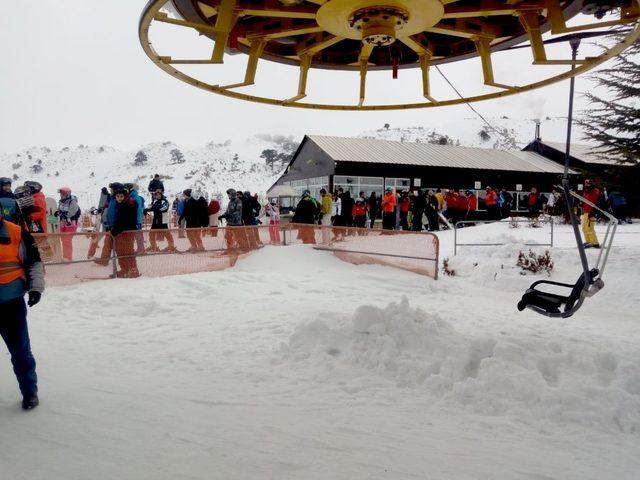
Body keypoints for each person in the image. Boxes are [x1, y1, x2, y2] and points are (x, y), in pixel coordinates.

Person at [0, 211, 45, 410]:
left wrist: (36, 288)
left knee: (21, 352)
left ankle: (29, 393)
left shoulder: (17, 233)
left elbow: (34, 260)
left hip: (11, 304)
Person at [111, 187, 140, 278]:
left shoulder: (128, 204)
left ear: (125, 196)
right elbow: (120, 220)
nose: (119, 198)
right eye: (118, 196)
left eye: (121, 196)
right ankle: (125, 269)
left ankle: (132, 270)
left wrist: (115, 231)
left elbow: (126, 221)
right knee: (121, 251)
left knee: (127, 251)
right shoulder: (123, 204)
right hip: (123, 231)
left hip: (127, 232)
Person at [55, 187, 80, 262]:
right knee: (63, 240)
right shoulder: (61, 202)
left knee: (67, 240)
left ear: (67, 194)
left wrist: (64, 215)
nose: (61, 195)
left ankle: (68, 258)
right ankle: (65, 256)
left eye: (63, 194)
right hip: (63, 223)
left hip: (70, 224)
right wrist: (57, 212)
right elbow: (60, 210)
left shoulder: (72, 202)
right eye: (60, 194)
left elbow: (72, 212)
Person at [125, 183, 145, 253]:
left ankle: (141, 249)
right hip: (134, 220)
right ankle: (139, 249)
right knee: (135, 235)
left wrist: (136, 220)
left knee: (138, 235)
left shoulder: (135, 198)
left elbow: (137, 210)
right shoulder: (131, 197)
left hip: (136, 220)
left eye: (126, 189)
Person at [581, 179, 601, 248]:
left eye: (588, 184)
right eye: (585, 184)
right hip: (585, 212)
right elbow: (585, 200)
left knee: (589, 228)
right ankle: (588, 241)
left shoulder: (595, 191)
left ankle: (595, 243)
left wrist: (593, 212)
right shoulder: (586, 191)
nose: (586, 185)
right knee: (584, 228)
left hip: (591, 212)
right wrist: (581, 204)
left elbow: (594, 200)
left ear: (591, 184)